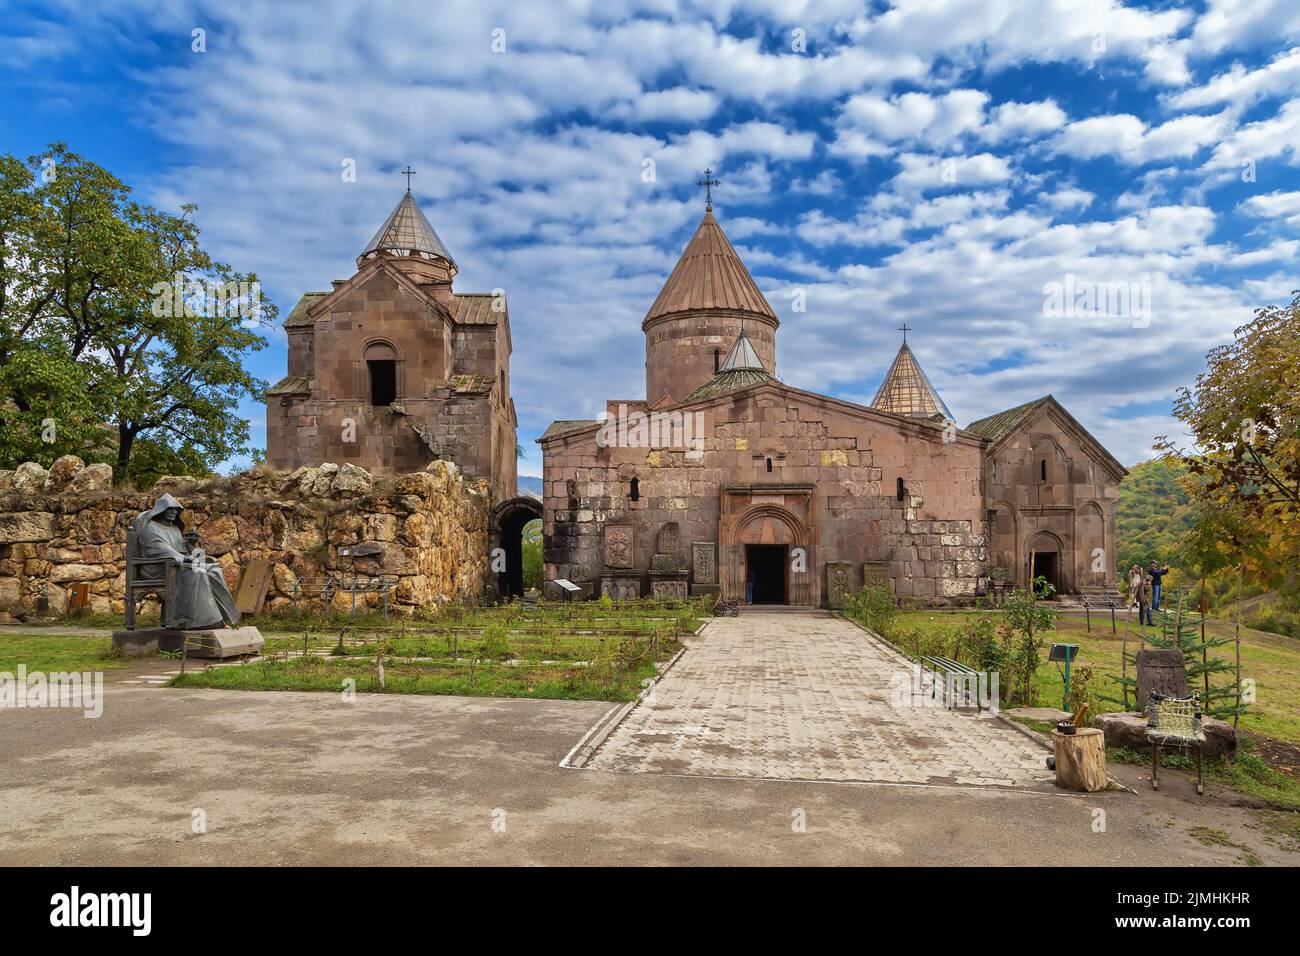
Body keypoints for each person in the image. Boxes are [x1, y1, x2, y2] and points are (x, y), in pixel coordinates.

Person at [130, 494, 241, 630]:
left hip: (175, 564)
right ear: (161, 510)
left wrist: (189, 543)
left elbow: (180, 549)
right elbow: (160, 549)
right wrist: (183, 558)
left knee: (213, 569)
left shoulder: (175, 529)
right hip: (156, 568)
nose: (173, 512)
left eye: (176, 510)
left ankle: (225, 616)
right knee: (196, 571)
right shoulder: (150, 528)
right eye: (169, 509)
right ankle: (200, 620)